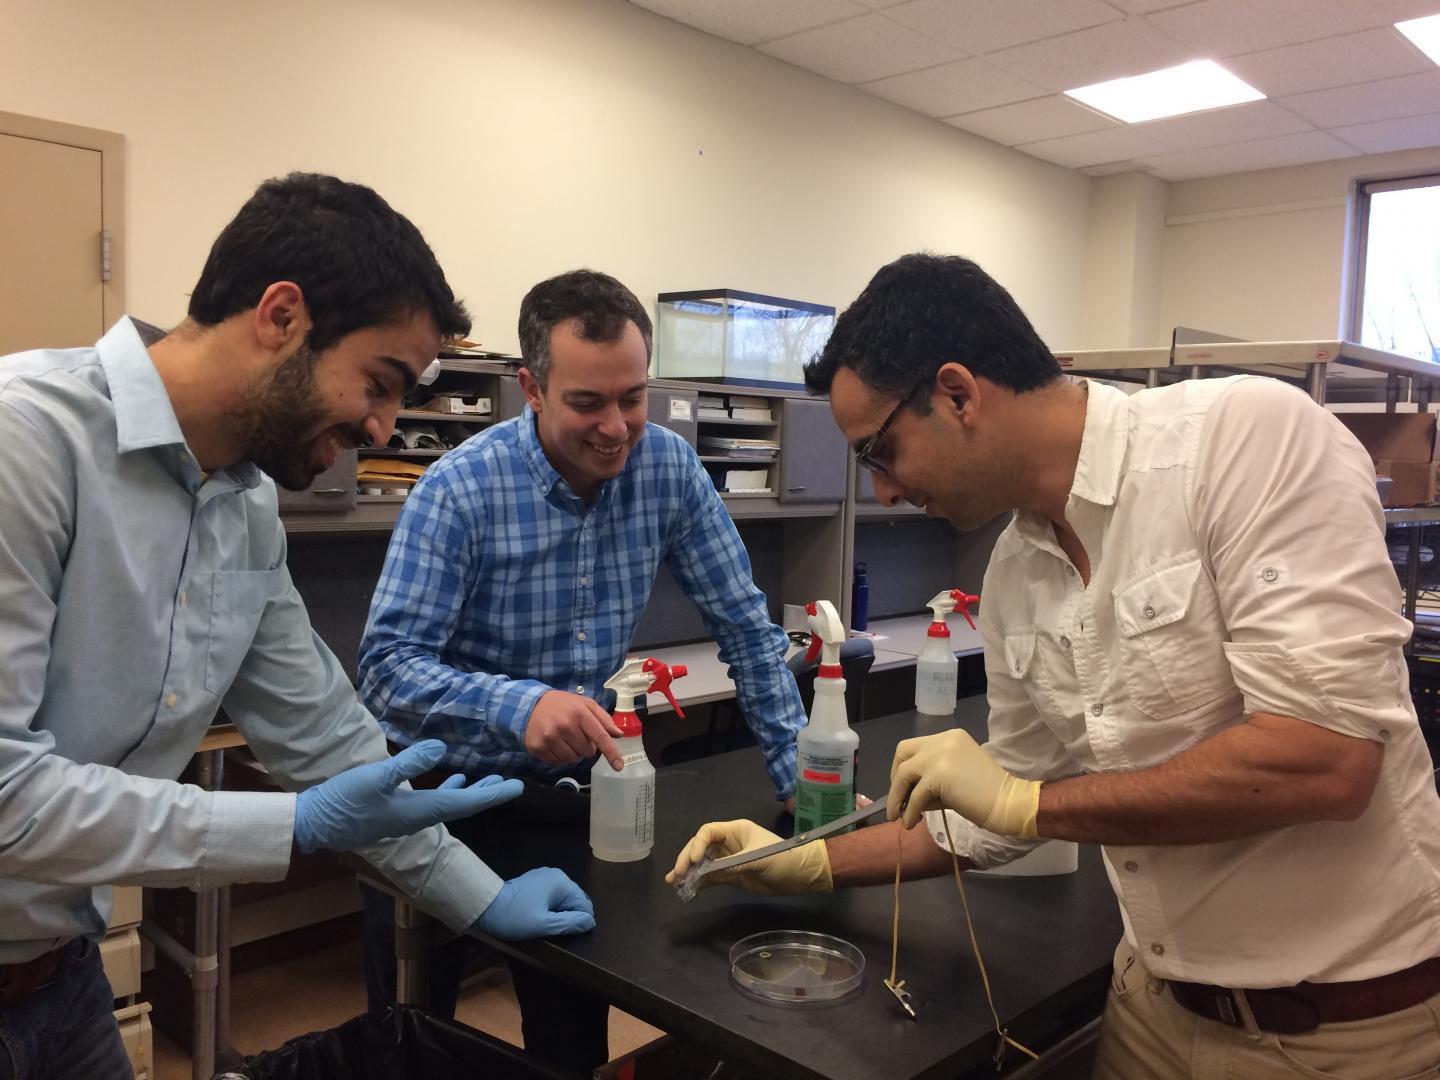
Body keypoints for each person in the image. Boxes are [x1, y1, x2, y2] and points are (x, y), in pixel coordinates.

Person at [669, 253, 1440, 1079]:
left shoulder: (1243, 441)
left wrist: (1026, 801)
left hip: (1342, 1028)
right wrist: (805, 861)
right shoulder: (1013, 572)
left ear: (959, 393)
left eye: (879, 453)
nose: (883, 493)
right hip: (1150, 1001)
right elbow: (983, 817)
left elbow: (1326, 759)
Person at [0, 173, 593, 1080]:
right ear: (281, 316)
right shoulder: (26, 444)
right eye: (380, 382)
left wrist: (483, 900)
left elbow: (328, 741)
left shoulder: (242, 506)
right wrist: (289, 826)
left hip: (57, 977)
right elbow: (7, 797)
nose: (385, 425)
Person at [357, 268, 808, 1071]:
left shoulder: (666, 469)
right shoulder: (459, 491)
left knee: (570, 1027)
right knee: (406, 1031)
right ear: (531, 387)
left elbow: (743, 623)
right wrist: (516, 705)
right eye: (587, 403)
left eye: (632, 397)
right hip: (438, 798)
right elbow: (387, 673)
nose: (616, 427)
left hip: (566, 801)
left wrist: (798, 775)